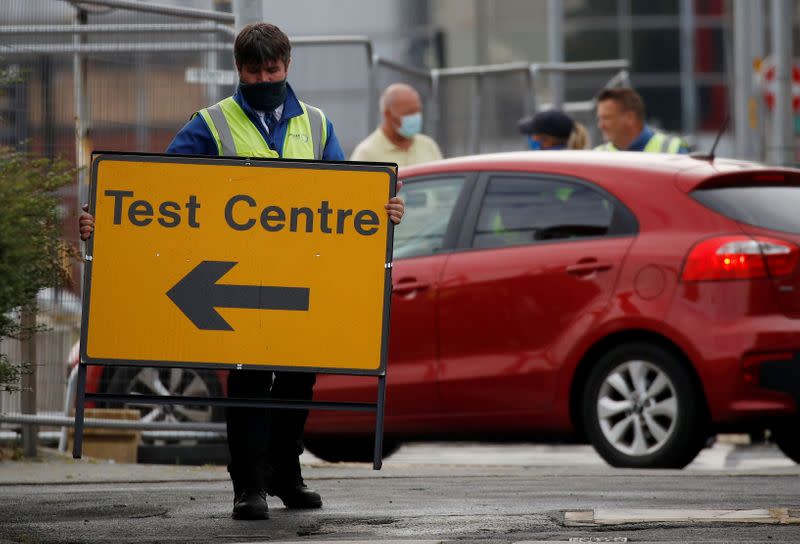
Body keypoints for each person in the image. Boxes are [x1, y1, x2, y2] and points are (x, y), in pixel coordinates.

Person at [78, 22, 405, 522]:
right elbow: (160, 195)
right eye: (254, 70)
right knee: (249, 382)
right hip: (236, 280)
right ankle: (248, 486)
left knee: (298, 382)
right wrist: (107, 223)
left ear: (287, 65)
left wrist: (384, 211)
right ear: (240, 69)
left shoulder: (316, 126)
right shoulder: (211, 124)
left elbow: (347, 197)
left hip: (301, 278)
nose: (263, 77)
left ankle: (286, 475)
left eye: (271, 69)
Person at [350, 83, 443, 167]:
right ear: (387, 114)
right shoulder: (366, 154)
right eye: (409, 113)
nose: (416, 117)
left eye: (418, 111)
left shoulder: (428, 146)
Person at [594, 87, 689, 153]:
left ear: (629, 117)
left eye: (607, 118)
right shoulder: (598, 156)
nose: (601, 125)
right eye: (600, 118)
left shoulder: (672, 150)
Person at [517, 109, 590, 150]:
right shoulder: (574, 159)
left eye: (532, 133)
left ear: (548, 139)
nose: (532, 138)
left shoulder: (549, 165)